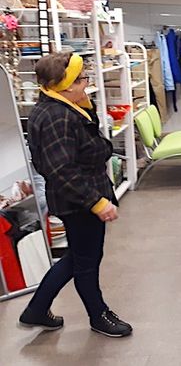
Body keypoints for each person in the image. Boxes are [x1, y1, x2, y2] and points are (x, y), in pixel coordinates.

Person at [18, 52, 132, 338]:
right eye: (81, 79)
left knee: (79, 257)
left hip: (78, 197)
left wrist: (84, 103)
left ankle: (37, 309)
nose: (86, 83)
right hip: (79, 201)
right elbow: (61, 169)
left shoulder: (62, 106)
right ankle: (99, 316)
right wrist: (96, 202)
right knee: (86, 261)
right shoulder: (58, 117)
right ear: (63, 84)